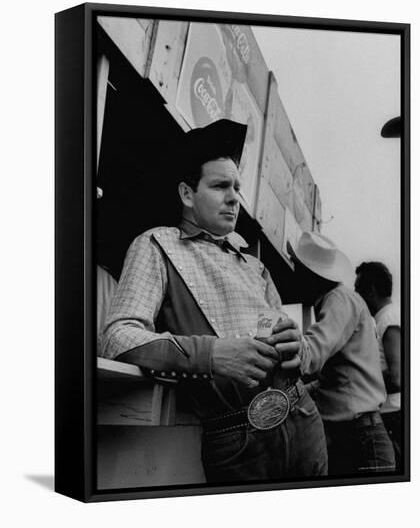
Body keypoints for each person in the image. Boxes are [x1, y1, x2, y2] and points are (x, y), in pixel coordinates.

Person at [101, 119, 327, 483]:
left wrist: (295, 346)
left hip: (301, 414)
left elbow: (293, 345)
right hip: (237, 435)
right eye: (220, 186)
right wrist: (212, 354)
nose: (234, 197)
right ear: (187, 195)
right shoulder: (157, 244)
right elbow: (117, 338)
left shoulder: (254, 265)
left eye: (236, 187)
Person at [288, 232, 395, 476]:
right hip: (358, 435)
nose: (292, 272)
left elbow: (313, 353)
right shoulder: (341, 300)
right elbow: (337, 378)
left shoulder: (337, 300)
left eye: (296, 266)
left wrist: (280, 349)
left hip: (359, 439)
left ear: (309, 272)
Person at [355, 261, 401, 470]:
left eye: (358, 290)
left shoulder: (388, 319)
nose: (356, 298)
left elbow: (397, 377)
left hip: (394, 416)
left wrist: (357, 381)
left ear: (371, 291)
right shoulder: (390, 316)